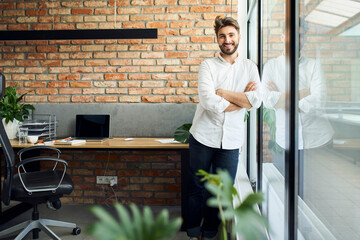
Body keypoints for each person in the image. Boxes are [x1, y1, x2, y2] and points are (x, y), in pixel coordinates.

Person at [186, 16, 261, 240]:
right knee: (197, 185)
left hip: (231, 141)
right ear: (217, 39)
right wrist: (241, 100)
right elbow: (208, 102)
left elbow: (255, 101)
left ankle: (209, 232)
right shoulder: (207, 65)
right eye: (222, 36)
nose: (227, 40)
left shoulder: (249, 67)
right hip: (202, 136)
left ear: (238, 36)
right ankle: (192, 231)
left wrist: (223, 93)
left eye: (231, 35)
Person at [261, 20, 334, 198]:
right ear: (283, 37)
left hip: (316, 142)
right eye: (292, 35)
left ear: (304, 39)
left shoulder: (313, 66)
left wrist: (282, 97)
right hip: (285, 142)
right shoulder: (271, 66)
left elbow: (318, 102)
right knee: (287, 195)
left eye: (300, 36)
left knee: (317, 195)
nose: (296, 39)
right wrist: (302, 93)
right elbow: (267, 101)